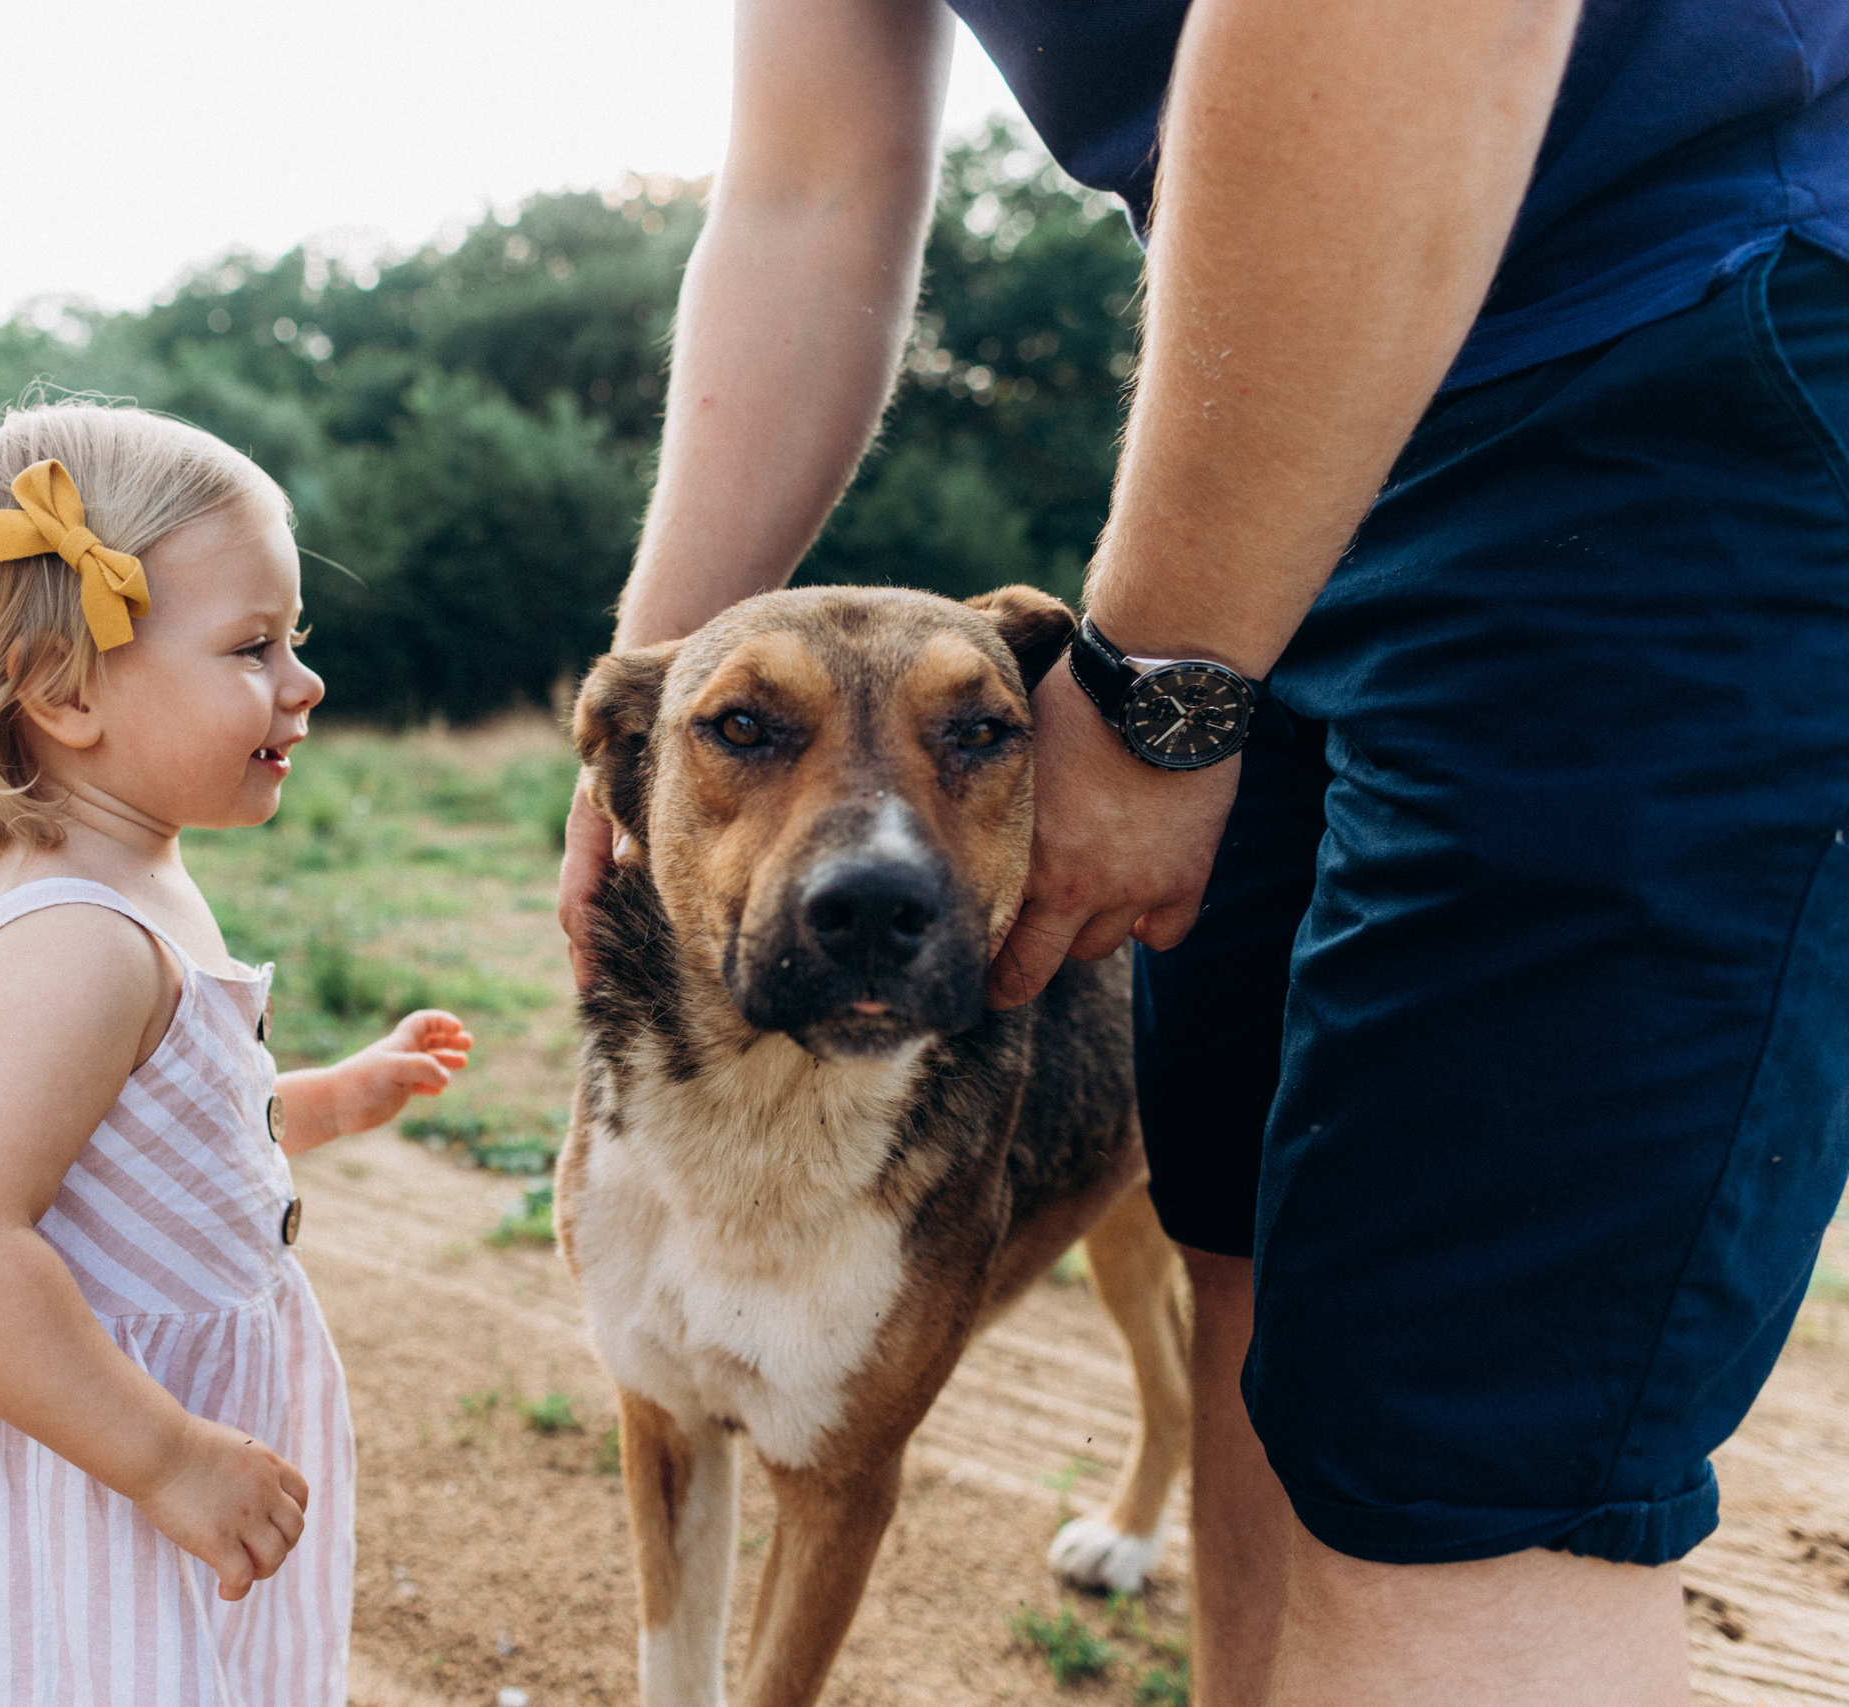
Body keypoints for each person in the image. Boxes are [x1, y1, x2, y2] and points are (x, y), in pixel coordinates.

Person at [557, 1, 1849, 1702]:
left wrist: (1159, 681)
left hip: (1663, 363)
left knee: (1459, 1464)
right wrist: (656, 705)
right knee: (1248, 1275)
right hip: (1275, 461)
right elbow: (808, 193)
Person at [0, 402, 472, 1706]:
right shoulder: (79, 945)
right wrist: (166, 1458)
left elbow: (149, 1146)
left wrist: (319, 1100)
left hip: (131, 1438)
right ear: (64, 690)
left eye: (296, 640)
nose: (304, 682)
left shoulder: (134, 890)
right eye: (252, 645)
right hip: (92, 1457)